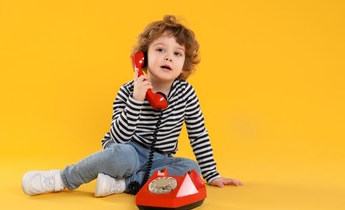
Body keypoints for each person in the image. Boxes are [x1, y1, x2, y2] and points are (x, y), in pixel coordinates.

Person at [22, 15, 242, 197]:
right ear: (142, 57)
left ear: (184, 63)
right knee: (120, 155)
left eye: (177, 53)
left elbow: (198, 134)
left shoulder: (186, 93)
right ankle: (62, 178)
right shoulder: (128, 90)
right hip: (128, 151)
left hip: (159, 158)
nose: (168, 57)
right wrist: (137, 100)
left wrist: (212, 174)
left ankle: (125, 184)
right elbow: (118, 137)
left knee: (191, 169)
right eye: (160, 50)